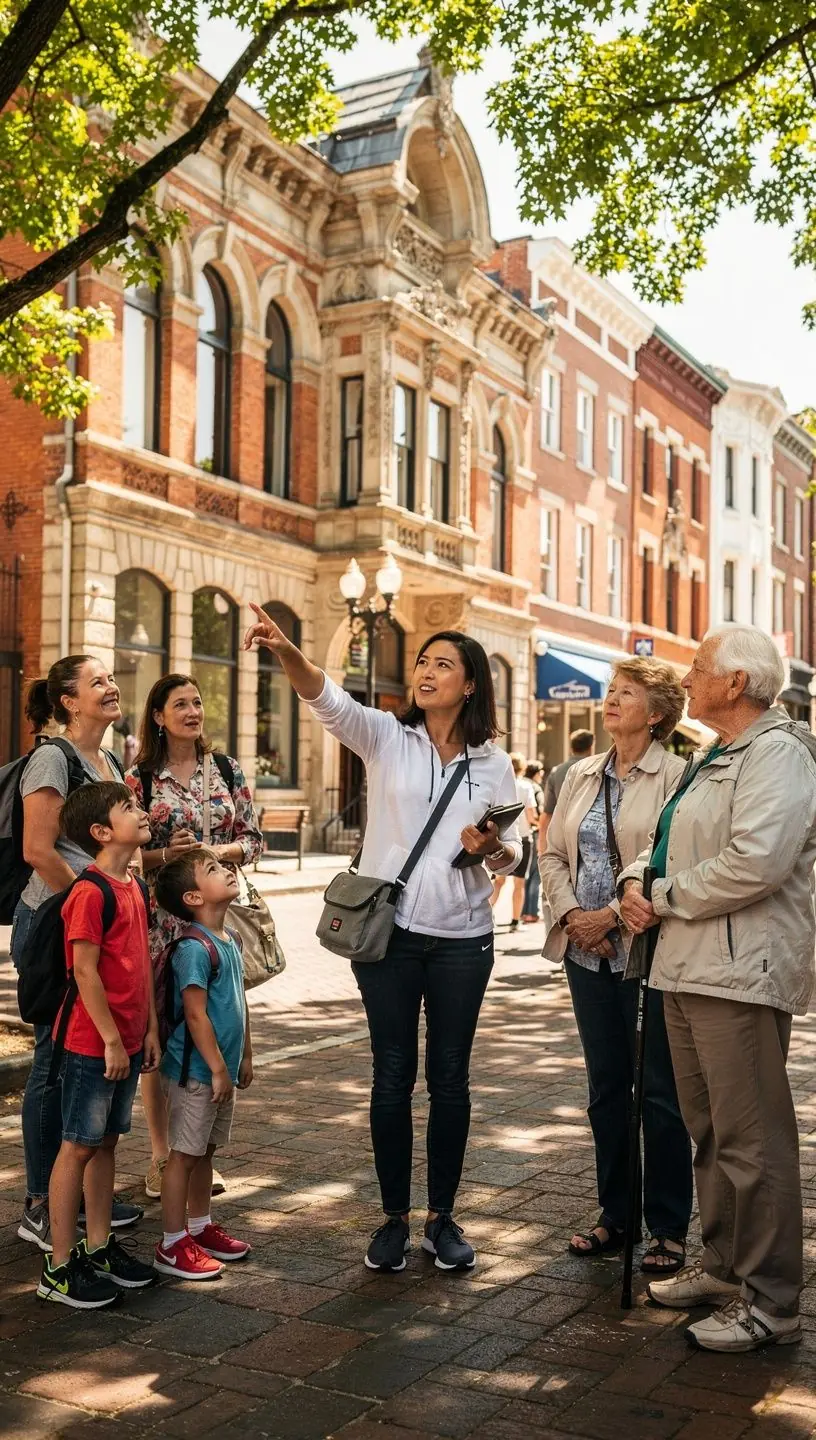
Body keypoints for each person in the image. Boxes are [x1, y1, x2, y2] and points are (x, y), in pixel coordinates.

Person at [243, 606, 522, 1273]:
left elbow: (513, 855)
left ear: (471, 684)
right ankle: (394, 1217)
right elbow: (326, 698)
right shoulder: (386, 737)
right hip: (390, 938)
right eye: (422, 662)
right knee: (392, 1073)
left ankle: (443, 1218)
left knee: (450, 1079)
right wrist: (286, 649)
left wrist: (493, 851)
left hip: (463, 939)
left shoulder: (495, 764)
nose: (426, 673)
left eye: (441, 664)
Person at [621, 625, 816, 1353]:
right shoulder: (714, 758)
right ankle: (728, 1268)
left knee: (752, 1140)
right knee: (709, 1133)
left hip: (737, 975)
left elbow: (756, 862)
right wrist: (635, 880)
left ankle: (772, 1301)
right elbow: (662, 838)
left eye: (700, 668)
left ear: (735, 684)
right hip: (686, 967)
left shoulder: (778, 755)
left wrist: (662, 896)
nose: (690, 676)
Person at [541, 659, 692, 1272]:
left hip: (648, 954)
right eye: (610, 691)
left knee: (659, 1093)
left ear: (655, 714)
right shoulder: (578, 774)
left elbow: (668, 858)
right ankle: (616, 1217)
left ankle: (667, 1226)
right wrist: (575, 914)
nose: (611, 701)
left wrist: (609, 916)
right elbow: (552, 855)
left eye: (625, 694)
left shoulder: (680, 777)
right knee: (607, 1090)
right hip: (585, 953)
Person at [13, 657, 143, 1252]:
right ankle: (41, 1200)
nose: (111, 686)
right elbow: (39, 850)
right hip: (54, 921)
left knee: (83, 1058)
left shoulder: (109, 761)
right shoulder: (51, 757)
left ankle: (85, 1195)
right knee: (52, 1058)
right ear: (68, 701)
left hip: (95, 923)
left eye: (111, 678)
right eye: (96, 682)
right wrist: (92, 906)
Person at [126, 673, 262, 1200]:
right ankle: (163, 1154)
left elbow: (251, 841)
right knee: (166, 1033)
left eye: (197, 701)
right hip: (163, 924)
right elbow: (129, 852)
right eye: (179, 703)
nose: (192, 710)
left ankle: (199, 1148)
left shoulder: (226, 769)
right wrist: (167, 856)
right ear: (158, 716)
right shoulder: (140, 778)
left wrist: (213, 853)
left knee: (217, 1021)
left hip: (213, 920)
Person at [37, 782, 159, 1307]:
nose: (142, 810)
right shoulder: (89, 892)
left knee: (106, 1142)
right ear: (102, 832)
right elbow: (83, 972)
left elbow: (143, 965)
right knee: (78, 1144)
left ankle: (100, 1245)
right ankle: (59, 1265)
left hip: (129, 1039)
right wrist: (111, 1039)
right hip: (94, 1041)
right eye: (128, 807)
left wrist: (149, 1029)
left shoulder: (132, 883)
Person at [152, 847, 253, 1281]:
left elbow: (239, 1003)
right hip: (197, 1073)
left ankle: (198, 1226)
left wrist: (246, 1053)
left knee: (205, 1150)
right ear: (193, 898)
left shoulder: (230, 939)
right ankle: (172, 1243)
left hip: (219, 1072)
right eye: (212, 869)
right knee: (183, 1156)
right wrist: (215, 1068)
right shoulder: (192, 949)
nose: (227, 869)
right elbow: (195, 1014)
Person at [489, 753, 537, 932]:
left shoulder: (499, 782)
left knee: (499, 881)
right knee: (519, 883)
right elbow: (531, 816)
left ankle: (489, 912)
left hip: (501, 838)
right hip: (523, 838)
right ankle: (515, 922)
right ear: (522, 768)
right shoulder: (526, 786)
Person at [539, 728, 594, 854]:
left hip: (561, 840)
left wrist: (542, 848)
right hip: (590, 840)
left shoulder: (557, 771)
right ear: (591, 747)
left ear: (571, 748)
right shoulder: (598, 770)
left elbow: (547, 814)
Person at [521, 760, 545, 923]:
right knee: (536, 874)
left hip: (520, 834)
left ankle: (523, 911)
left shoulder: (519, 783)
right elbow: (540, 814)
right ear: (536, 773)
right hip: (534, 833)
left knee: (527, 875)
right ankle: (531, 912)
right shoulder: (535, 788)